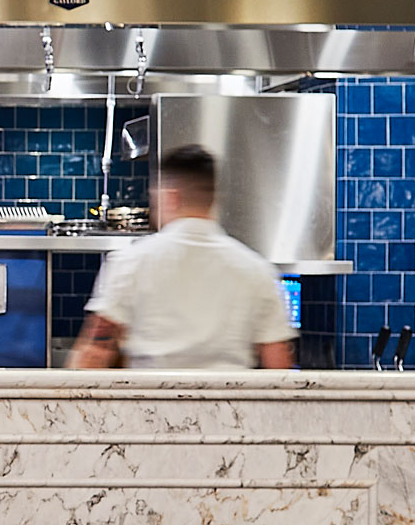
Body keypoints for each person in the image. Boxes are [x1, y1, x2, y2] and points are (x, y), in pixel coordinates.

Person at [69, 143, 296, 371]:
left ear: (171, 197)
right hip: (228, 404)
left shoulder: (131, 261)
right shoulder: (257, 270)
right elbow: (279, 369)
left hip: (148, 403)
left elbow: (95, 354)